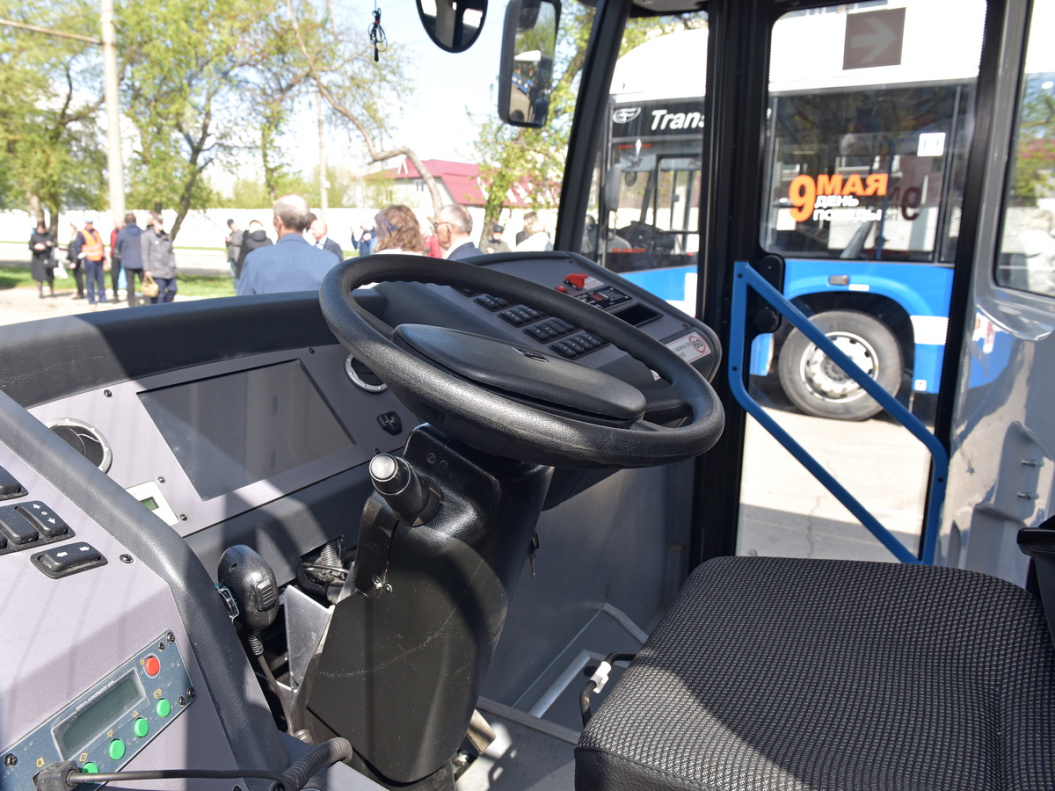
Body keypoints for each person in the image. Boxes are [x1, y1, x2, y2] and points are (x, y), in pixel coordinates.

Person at [237, 194, 341, 295]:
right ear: (306, 222)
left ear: (278, 221)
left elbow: (243, 304)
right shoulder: (330, 261)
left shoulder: (255, 260)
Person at [141, 211, 178, 304]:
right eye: (159, 222)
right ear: (154, 222)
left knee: (173, 289)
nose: (160, 224)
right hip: (156, 271)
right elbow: (145, 253)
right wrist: (147, 269)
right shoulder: (147, 236)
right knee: (159, 294)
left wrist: (173, 264)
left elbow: (170, 252)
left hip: (168, 270)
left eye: (161, 222)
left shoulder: (166, 236)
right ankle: (160, 310)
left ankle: (166, 306)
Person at [76, 218, 108, 308]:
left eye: (91, 223)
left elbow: (100, 245)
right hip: (89, 260)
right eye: (88, 223)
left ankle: (102, 298)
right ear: (86, 223)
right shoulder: (82, 233)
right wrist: (84, 257)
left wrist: (104, 258)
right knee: (90, 280)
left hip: (99, 259)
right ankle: (91, 299)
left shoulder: (96, 232)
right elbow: (77, 247)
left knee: (100, 280)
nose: (90, 224)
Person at [116, 213, 145, 306]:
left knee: (130, 284)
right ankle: (147, 302)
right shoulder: (143, 233)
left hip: (128, 262)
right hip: (141, 262)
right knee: (144, 283)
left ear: (125, 222)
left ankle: (131, 303)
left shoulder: (122, 233)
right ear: (135, 221)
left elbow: (118, 247)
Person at [29, 222, 56, 299]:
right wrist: (36, 247)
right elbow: (30, 246)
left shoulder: (49, 236)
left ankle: (52, 292)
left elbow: (55, 244)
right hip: (38, 258)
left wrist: (51, 244)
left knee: (50, 277)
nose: (41, 230)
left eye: (42, 229)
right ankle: (40, 293)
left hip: (47, 258)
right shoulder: (34, 236)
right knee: (39, 277)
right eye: (40, 229)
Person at [65, 223, 85, 299]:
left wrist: (74, 262)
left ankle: (80, 293)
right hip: (74, 259)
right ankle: (79, 292)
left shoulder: (77, 237)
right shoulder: (73, 237)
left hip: (76, 260)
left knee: (78, 276)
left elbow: (76, 250)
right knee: (76, 276)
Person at [225, 219, 244, 286]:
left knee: (239, 274)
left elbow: (241, 243)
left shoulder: (241, 233)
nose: (231, 227)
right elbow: (228, 245)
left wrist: (231, 241)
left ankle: (240, 287)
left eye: (232, 225)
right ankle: (236, 288)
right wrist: (227, 241)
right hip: (231, 256)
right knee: (234, 274)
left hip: (238, 256)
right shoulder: (231, 234)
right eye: (229, 226)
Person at [108, 220, 123, 301]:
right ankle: (115, 294)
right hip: (115, 257)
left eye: (119, 223)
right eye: (117, 223)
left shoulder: (125, 232)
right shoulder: (113, 233)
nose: (118, 225)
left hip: (125, 257)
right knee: (114, 276)